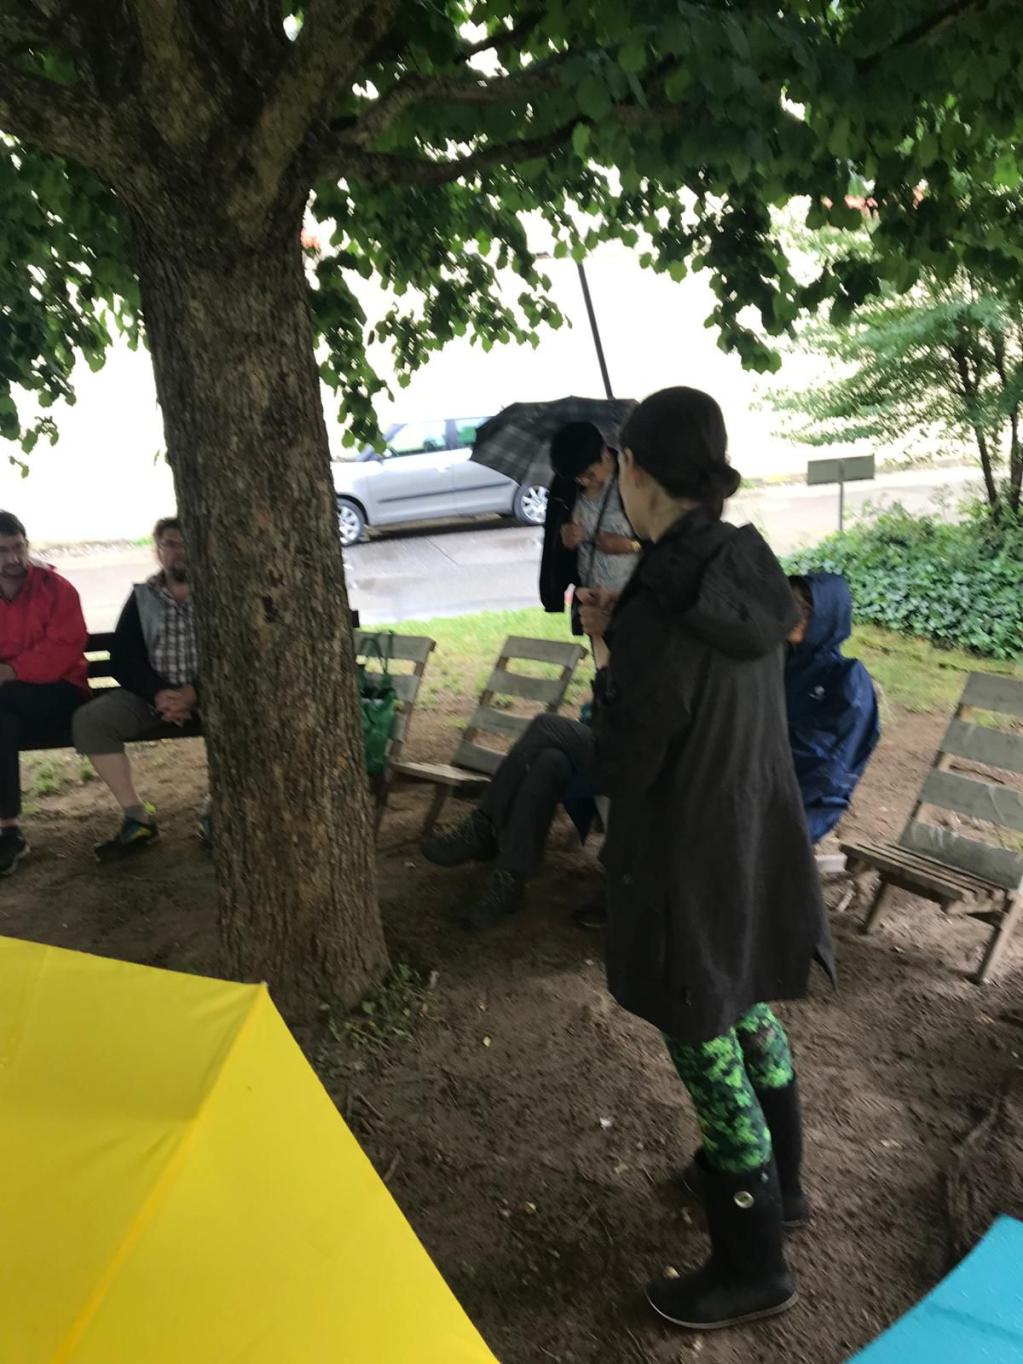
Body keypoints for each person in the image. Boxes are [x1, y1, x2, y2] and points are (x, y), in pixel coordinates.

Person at [576, 386, 834, 1332]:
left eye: (622, 469)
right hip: (753, 833)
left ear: (636, 473)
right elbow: (703, 671)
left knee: (702, 1039)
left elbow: (623, 761)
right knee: (745, 1002)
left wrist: (608, 656)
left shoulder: (662, 602)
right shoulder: (741, 565)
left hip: (687, 854)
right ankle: (783, 1185)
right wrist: (631, 629)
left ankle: (752, 1264)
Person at [73, 517, 199, 861]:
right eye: (170, 544)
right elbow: (123, 656)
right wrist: (157, 693)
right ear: (157, 552)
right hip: (149, 697)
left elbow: (234, 653)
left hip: (210, 695)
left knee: (248, 715)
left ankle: (217, 812)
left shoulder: (217, 593)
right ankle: (137, 818)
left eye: (186, 543)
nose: (179, 551)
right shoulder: (142, 597)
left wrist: (195, 693)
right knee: (91, 721)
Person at [421, 712, 597, 929]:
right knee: (549, 762)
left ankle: (483, 825)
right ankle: (510, 881)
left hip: (628, 751)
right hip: (608, 743)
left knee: (545, 725)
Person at [0, 511, 89, 875]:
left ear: (27, 544)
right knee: (1, 722)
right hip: (10, 704)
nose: (13, 558)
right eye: (2, 551)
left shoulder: (56, 588)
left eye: (18, 547)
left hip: (60, 695)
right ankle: (9, 830)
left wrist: (10, 671)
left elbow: (62, 650)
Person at [786, 572, 880, 842]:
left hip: (807, 800)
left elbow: (830, 763)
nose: (794, 615)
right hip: (751, 781)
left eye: (805, 608)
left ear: (829, 615)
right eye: (789, 603)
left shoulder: (846, 679)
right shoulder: (770, 662)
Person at [539, 421, 641, 633]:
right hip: (591, 602)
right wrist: (565, 540)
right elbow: (553, 544)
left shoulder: (633, 478)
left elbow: (662, 541)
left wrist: (631, 545)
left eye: (590, 474)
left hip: (635, 601)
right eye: (578, 478)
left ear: (605, 453)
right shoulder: (565, 485)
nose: (585, 482)